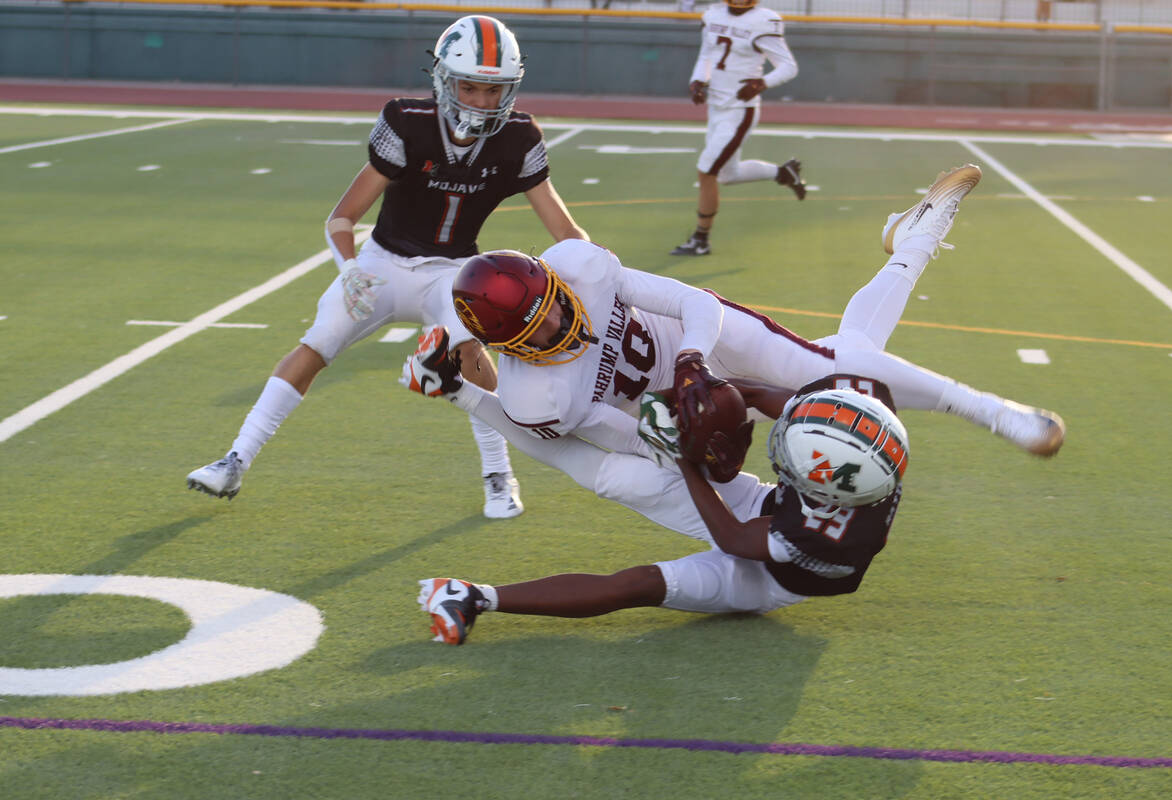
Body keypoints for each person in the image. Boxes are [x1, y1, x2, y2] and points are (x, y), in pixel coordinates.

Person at [185, 15, 588, 518]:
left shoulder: (520, 136)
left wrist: (597, 272)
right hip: (382, 263)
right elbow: (342, 218)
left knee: (469, 347)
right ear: (444, 80)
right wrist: (350, 268)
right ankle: (235, 459)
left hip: (455, 271)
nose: (483, 101)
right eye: (471, 87)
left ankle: (498, 475)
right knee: (318, 341)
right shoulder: (407, 121)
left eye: (494, 90)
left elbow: (566, 231)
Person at [449, 164, 1064, 482]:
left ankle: (989, 410)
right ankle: (914, 239)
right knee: (846, 359)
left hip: (709, 340)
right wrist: (691, 446)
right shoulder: (537, 397)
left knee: (839, 374)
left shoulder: (579, 266)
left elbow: (697, 304)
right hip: (686, 405)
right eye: (540, 330)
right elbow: (634, 443)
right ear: (508, 349)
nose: (560, 321)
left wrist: (691, 360)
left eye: (554, 303)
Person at [414, 372, 909, 645]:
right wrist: (689, 403)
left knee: (635, 583)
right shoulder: (858, 427)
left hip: (771, 577)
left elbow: (734, 540)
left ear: (827, 490)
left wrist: (683, 455)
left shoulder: (835, 535)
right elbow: (749, 393)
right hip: (769, 511)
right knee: (624, 476)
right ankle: (457, 386)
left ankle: (472, 596)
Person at [670, 0, 805, 257]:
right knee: (726, 176)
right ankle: (783, 173)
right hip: (716, 107)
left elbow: (789, 66)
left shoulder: (763, 20)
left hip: (739, 110)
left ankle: (701, 239)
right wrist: (698, 81)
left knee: (706, 171)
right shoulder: (713, 14)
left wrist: (761, 83)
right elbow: (707, 55)